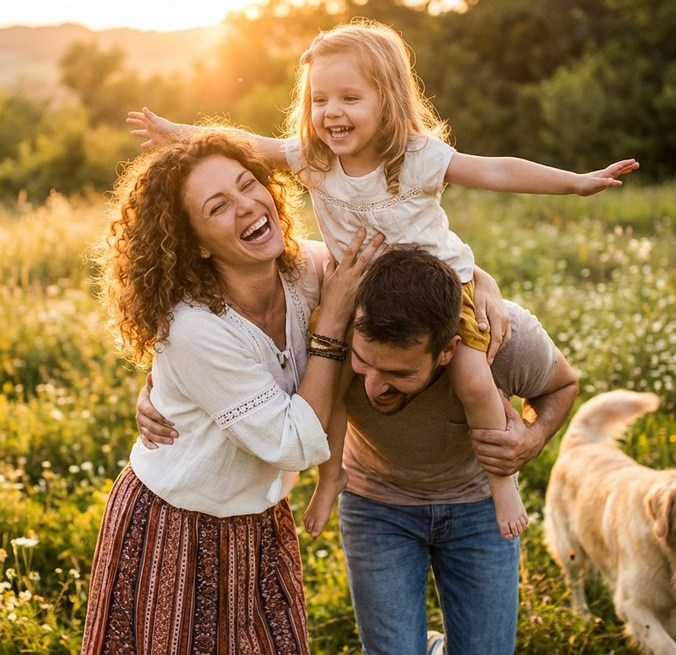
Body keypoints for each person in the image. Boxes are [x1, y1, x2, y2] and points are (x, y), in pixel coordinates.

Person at [128, 17, 636, 541]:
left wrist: (573, 183)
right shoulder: (317, 160)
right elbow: (248, 142)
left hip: (438, 292)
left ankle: (500, 478)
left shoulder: (413, 159)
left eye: (350, 97)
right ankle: (332, 476)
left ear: (388, 101)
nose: (331, 112)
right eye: (320, 99)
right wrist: (176, 134)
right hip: (367, 297)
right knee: (341, 381)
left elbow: (496, 171)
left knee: (470, 375)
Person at [137, 247, 580, 654]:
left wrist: (533, 438)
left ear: (447, 350)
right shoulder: (331, 331)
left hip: (479, 507)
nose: (373, 386)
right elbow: (227, 342)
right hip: (377, 507)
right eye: (364, 362)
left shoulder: (503, 336)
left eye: (398, 373)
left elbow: (562, 385)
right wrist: (157, 385)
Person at [80, 131, 385, 654]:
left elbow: (409, 257)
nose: (247, 207)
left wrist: (484, 286)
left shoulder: (302, 271)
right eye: (218, 206)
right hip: (174, 530)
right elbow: (293, 444)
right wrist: (331, 323)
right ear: (196, 243)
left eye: (249, 185)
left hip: (260, 521)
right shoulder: (193, 328)